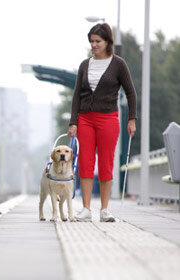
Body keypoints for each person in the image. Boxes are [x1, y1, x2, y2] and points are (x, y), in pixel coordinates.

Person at [67, 23, 137, 222]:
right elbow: (76, 96)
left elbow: (131, 92)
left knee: (106, 163)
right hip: (85, 119)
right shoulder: (84, 65)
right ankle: (86, 209)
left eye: (98, 41)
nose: (94, 45)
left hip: (108, 119)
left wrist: (132, 119)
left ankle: (105, 210)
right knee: (85, 162)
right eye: (91, 41)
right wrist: (73, 122)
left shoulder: (118, 64)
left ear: (108, 42)